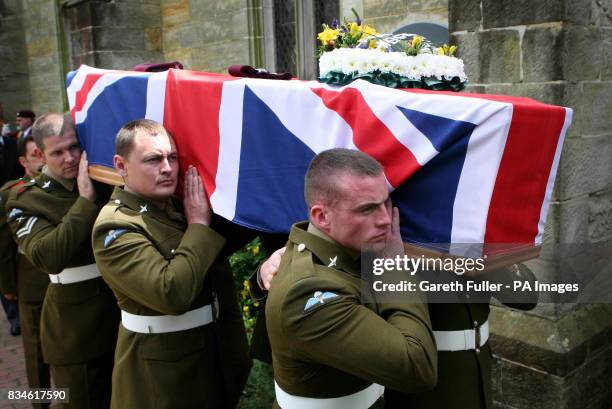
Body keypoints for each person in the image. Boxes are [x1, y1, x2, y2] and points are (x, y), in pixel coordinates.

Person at [91, 119, 251, 409]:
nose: (167, 168)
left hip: (212, 357)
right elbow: (171, 293)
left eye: (173, 157)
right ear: (121, 165)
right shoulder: (116, 227)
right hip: (164, 378)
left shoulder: (176, 206)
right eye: (153, 159)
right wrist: (199, 225)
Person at [265, 148, 438, 408]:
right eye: (367, 209)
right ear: (322, 217)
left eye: (385, 202)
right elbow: (417, 366)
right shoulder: (309, 292)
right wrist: (393, 268)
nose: (385, 219)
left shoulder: (343, 249)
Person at [5, 113, 119, 409]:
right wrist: (84, 201)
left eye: (74, 147)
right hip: (75, 332)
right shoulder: (26, 199)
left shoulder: (105, 181)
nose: (69, 158)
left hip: (121, 319)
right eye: (57, 152)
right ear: (41, 156)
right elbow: (49, 257)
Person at [0, 135, 50, 408]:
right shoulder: (13, 192)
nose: (42, 160)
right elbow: (4, 245)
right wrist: (8, 285)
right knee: (35, 352)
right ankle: (41, 402)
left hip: (63, 284)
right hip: (32, 284)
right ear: (23, 161)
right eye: (35, 154)